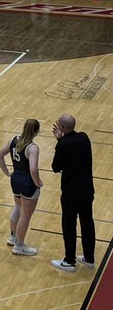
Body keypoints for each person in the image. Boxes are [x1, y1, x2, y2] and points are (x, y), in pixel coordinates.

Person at [52, 114, 96, 273]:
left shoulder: (63, 144)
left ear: (62, 128)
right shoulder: (84, 137)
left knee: (69, 225)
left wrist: (59, 140)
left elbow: (56, 167)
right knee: (87, 223)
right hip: (87, 190)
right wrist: (62, 140)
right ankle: (89, 258)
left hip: (71, 193)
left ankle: (69, 261)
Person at [0, 119, 42, 256]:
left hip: (15, 180)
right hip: (28, 183)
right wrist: (37, 182)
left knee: (17, 207)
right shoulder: (33, 148)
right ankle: (19, 246)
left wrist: (7, 172)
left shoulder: (13, 140)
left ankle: (12, 237)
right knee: (25, 215)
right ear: (36, 131)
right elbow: (33, 169)